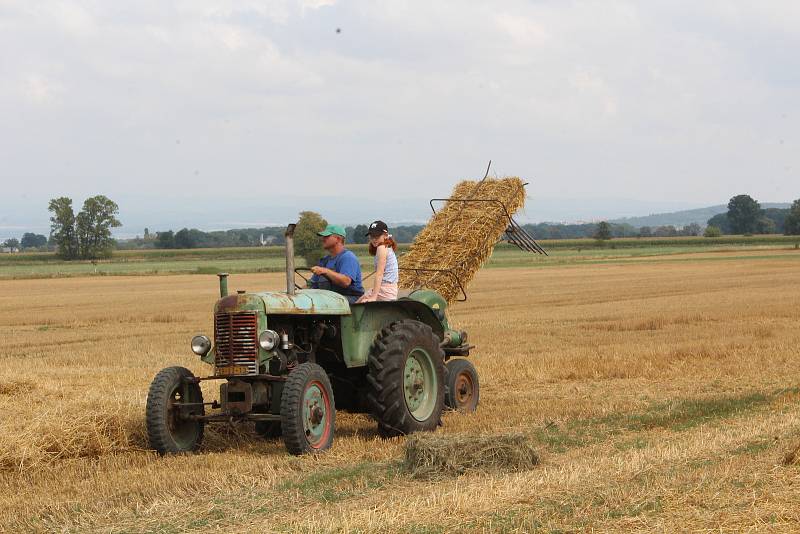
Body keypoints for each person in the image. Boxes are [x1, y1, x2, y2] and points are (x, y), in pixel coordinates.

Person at [309, 224, 364, 303]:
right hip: (330, 300)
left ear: (338, 239)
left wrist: (326, 271)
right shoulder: (324, 261)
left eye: (326, 236)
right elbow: (312, 284)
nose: (323, 239)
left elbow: (346, 281)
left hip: (349, 301)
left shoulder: (347, 257)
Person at [357, 220, 399, 303]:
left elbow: (379, 274)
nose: (374, 239)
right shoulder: (387, 247)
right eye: (372, 236)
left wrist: (373, 297)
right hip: (389, 289)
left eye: (377, 236)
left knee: (357, 306)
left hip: (385, 290)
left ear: (385, 235)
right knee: (358, 302)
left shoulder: (382, 248)